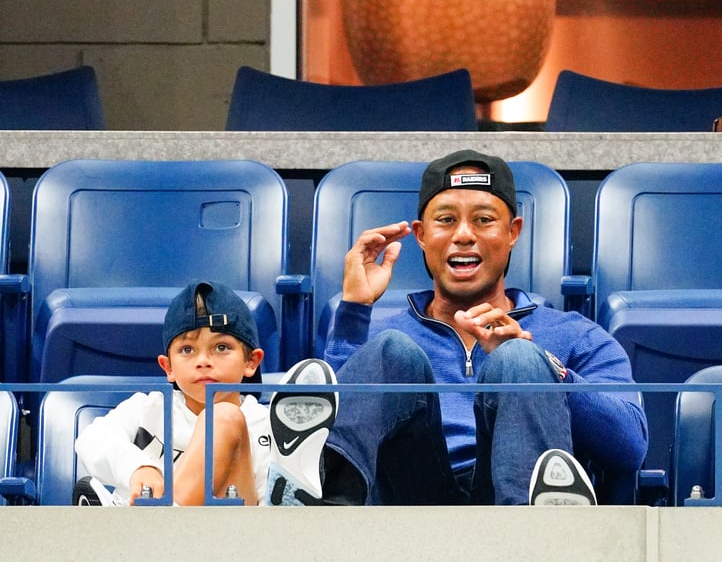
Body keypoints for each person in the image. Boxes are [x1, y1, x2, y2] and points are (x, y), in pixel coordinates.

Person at [266, 149, 648, 507]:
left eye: (483, 220)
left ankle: (540, 525)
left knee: (520, 359)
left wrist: (550, 369)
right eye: (446, 220)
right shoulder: (381, 337)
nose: (463, 234)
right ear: (421, 235)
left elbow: (631, 444)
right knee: (390, 351)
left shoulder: (575, 334)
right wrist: (354, 310)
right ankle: (320, 497)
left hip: (514, 501)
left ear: (513, 232)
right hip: (408, 503)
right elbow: (339, 417)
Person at [75, 280, 276, 506]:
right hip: (145, 535)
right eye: (187, 350)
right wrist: (139, 468)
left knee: (224, 417)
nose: (203, 361)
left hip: (225, 534)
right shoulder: (147, 408)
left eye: (221, 347)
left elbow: (266, 512)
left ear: (251, 361)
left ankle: (159, 520)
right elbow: (91, 441)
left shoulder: (267, 425)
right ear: (168, 367)